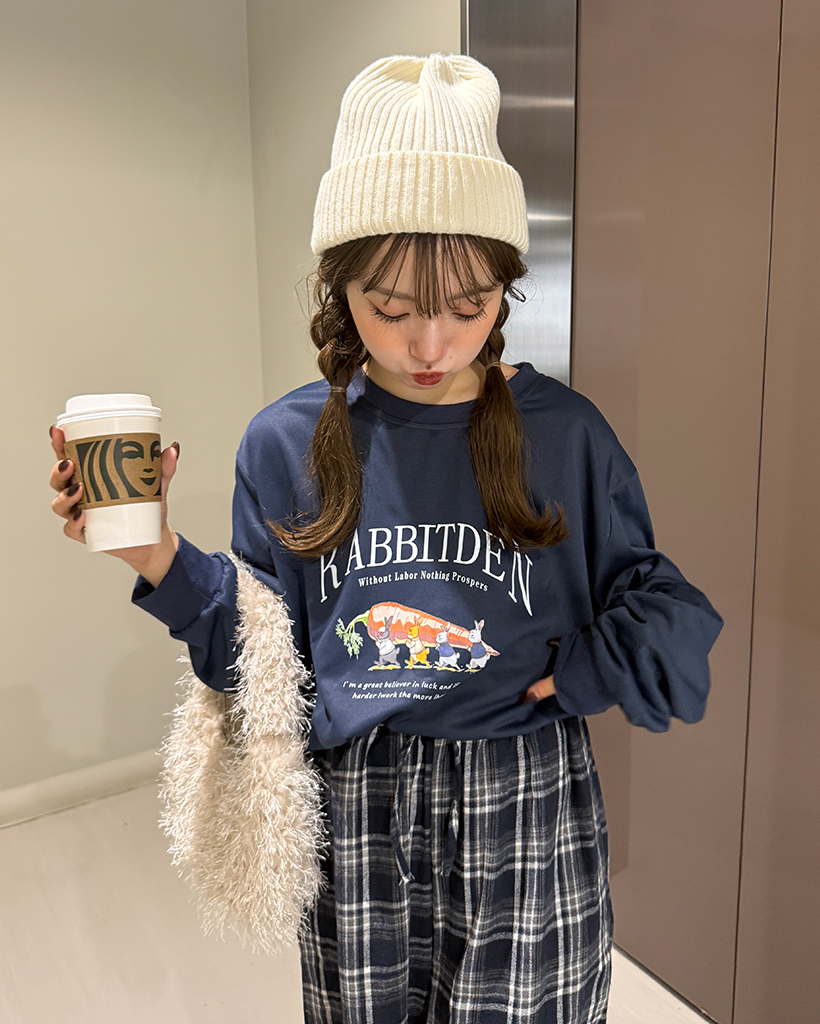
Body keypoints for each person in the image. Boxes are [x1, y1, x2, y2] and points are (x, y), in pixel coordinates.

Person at [48, 53, 724, 1024]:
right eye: (391, 310)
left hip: (524, 803)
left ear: (504, 289)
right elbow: (263, 664)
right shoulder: (285, 444)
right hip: (356, 810)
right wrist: (151, 551)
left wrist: (584, 671)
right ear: (339, 289)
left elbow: (664, 606)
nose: (430, 347)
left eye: (468, 307)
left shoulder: (566, 436)